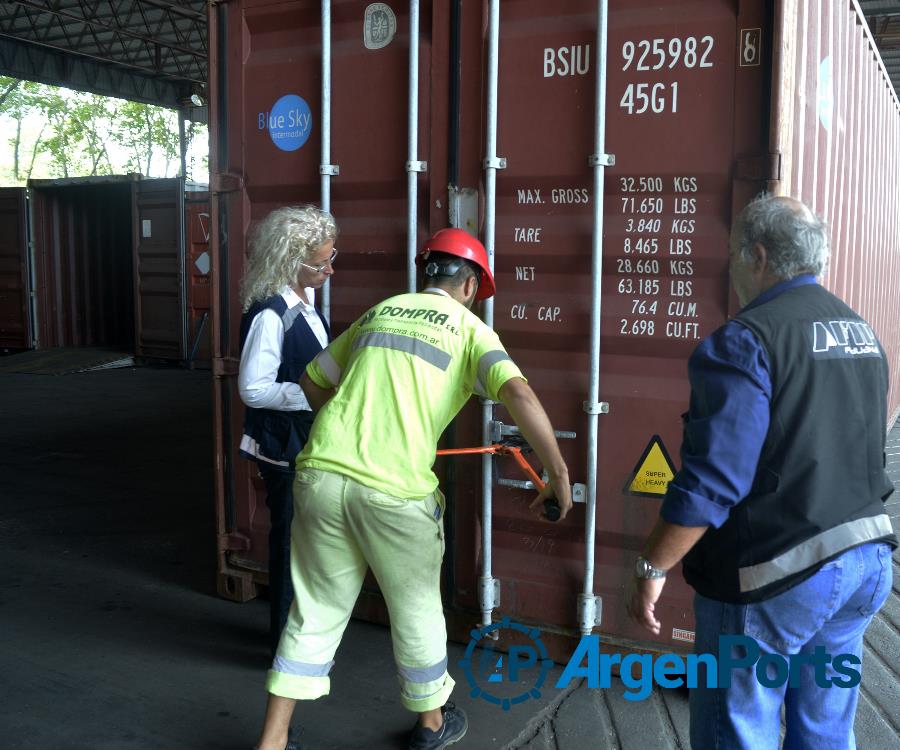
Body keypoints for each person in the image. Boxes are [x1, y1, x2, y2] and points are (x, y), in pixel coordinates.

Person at [254, 228, 573, 750]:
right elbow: (517, 390)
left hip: (320, 476)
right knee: (417, 607)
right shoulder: (471, 332)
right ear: (470, 285)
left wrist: (348, 430)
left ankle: (272, 740)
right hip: (395, 494)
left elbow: (314, 381)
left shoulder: (378, 313)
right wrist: (558, 475)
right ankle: (430, 727)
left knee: (313, 609)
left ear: (427, 273)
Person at [625, 194, 897, 749]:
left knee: (737, 730)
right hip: (865, 563)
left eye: (732, 254)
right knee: (824, 728)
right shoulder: (862, 333)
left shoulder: (744, 341)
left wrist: (652, 567)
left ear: (758, 255)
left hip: (778, 576)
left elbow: (712, 482)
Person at [238, 205, 338, 659]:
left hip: (304, 441)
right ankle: (282, 644)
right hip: (283, 445)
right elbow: (253, 390)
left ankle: (298, 635)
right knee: (289, 541)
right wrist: (311, 395)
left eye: (331, 258)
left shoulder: (306, 304)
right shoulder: (271, 314)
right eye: (320, 263)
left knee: (305, 541)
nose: (329, 270)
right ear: (289, 261)